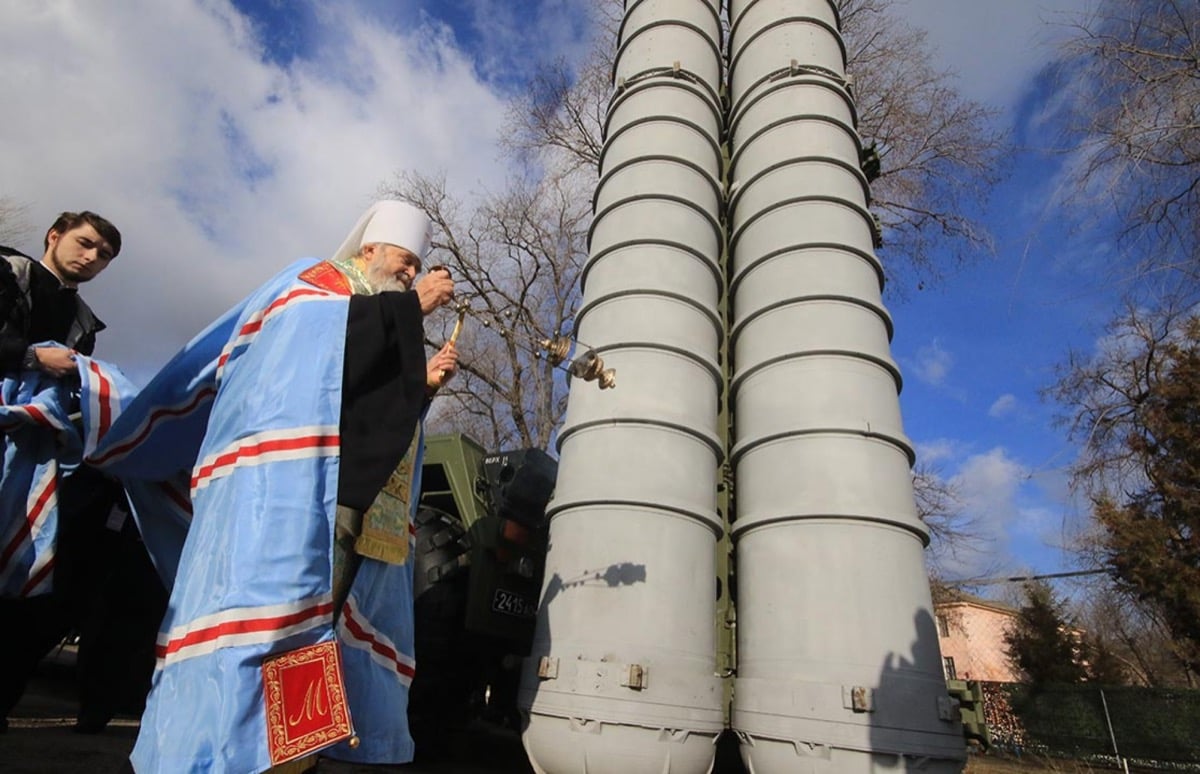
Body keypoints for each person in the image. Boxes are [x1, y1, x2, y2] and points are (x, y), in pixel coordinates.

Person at [87, 201, 457, 773]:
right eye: (405, 263)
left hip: (347, 503)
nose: (410, 274)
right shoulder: (318, 281)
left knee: (315, 628)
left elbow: (369, 409)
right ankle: (219, 754)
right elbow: (302, 350)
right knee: (271, 623)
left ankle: (287, 756)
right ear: (369, 250)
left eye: (414, 269)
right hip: (282, 496)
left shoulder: (383, 309)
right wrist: (409, 309)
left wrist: (424, 386)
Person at [0, 211, 126, 733]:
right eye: (86, 243)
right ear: (55, 236)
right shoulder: (10, 274)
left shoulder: (84, 322)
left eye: (103, 254)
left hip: (35, 453)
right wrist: (31, 357)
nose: (92, 257)